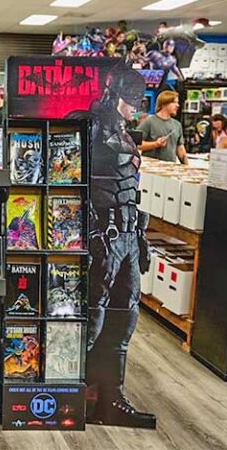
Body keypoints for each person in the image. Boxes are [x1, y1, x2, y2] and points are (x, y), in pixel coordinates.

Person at [66, 65, 156, 429]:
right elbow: (68, 179)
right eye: (133, 99)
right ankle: (74, 392)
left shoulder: (122, 130)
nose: (136, 107)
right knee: (93, 316)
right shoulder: (88, 124)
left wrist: (140, 236)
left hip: (129, 233)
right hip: (103, 234)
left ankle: (110, 397)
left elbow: (128, 189)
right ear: (120, 95)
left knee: (125, 315)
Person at [137, 90, 189, 163]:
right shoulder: (149, 122)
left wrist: (186, 167)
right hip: (151, 170)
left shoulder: (177, 125)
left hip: (170, 170)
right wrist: (155, 144)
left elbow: (180, 150)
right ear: (164, 103)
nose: (178, 105)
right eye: (174, 102)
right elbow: (136, 145)